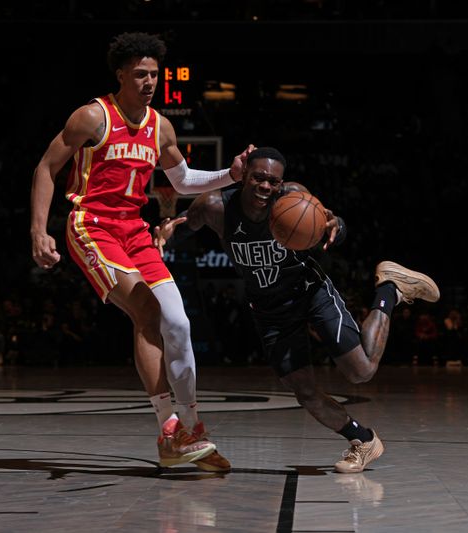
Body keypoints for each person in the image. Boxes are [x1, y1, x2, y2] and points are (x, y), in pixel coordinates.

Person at [30, 32, 250, 471]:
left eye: (154, 74)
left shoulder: (161, 127)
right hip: (91, 227)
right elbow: (45, 168)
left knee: (179, 324)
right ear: (121, 75)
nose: (149, 81)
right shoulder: (93, 117)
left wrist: (233, 173)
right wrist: (39, 230)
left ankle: (191, 427)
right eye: (140, 74)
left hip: (135, 232)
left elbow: (184, 182)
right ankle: (169, 429)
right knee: (148, 312)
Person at [154, 147, 440, 473]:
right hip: (269, 311)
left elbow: (334, 225)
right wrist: (167, 233)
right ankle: (363, 440)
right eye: (259, 178)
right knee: (304, 392)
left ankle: (388, 289)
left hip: (309, 292)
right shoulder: (215, 206)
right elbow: (183, 226)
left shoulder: (294, 197)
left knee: (362, 371)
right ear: (244, 174)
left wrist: (338, 225)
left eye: (272, 181)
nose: (265, 186)